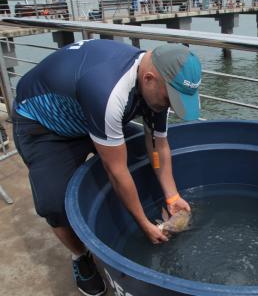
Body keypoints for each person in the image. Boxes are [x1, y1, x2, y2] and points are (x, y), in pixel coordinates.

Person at [13, 40, 201, 296]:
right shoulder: (109, 90)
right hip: (47, 126)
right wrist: (144, 223)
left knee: (142, 158)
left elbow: (158, 146)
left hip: (91, 114)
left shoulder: (158, 90)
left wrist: (172, 196)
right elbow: (116, 170)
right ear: (149, 79)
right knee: (54, 204)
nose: (169, 106)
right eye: (170, 99)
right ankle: (80, 257)